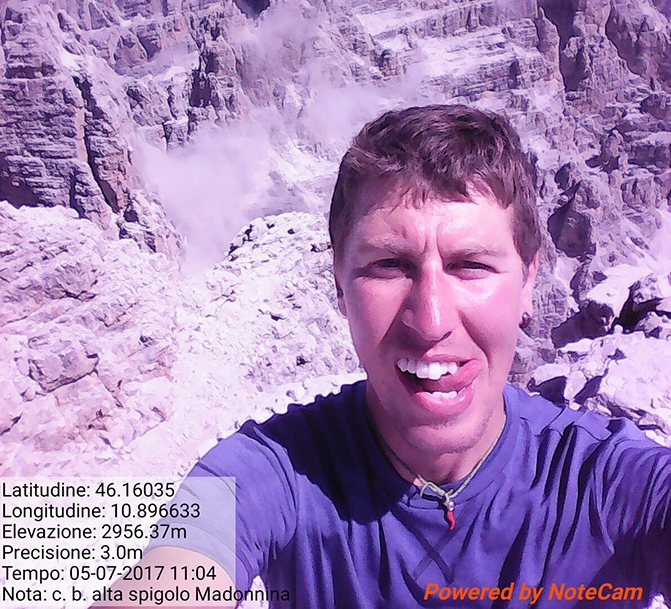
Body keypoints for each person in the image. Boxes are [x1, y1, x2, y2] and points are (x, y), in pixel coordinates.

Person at [97, 105, 671, 609]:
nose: (432, 319)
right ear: (340, 292)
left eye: (471, 264)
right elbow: (178, 565)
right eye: (388, 266)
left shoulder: (607, 481)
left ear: (528, 284)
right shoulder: (266, 471)